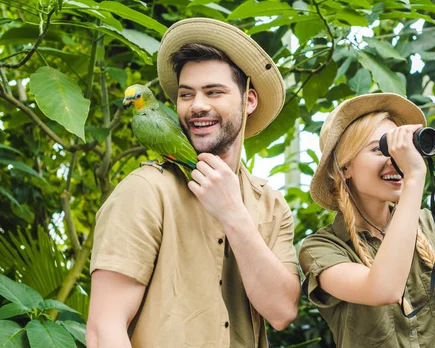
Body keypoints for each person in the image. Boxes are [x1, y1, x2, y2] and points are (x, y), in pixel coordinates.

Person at [86, 18, 300, 348]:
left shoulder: (270, 204)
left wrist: (233, 214)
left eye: (214, 92)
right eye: (187, 94)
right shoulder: (145, 191)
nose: (197, 105)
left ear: (249, 101)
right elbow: (104, 330)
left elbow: (282, 311)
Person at [299, 93, 435, 347]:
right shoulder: (321, 248)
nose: (397, 161)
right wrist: (413, 177)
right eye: (381, 149)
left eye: (402, 150)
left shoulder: (425, 225)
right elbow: (384, 289)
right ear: (344, 168)